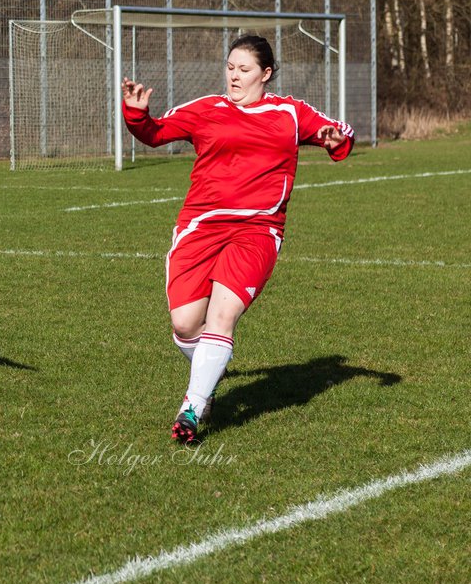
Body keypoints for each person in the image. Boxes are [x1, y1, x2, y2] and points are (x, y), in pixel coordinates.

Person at [121, 34, 355, 444]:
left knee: (222, 318)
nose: (234, 76)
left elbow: (336, 136)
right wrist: (136, 114)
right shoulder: (206, 109)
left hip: (258, 230)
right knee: (184, 323)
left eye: (244, 70)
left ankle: (192, 408)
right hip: (200, 227)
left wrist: (337, 141)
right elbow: (154, 133)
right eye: (230, 67)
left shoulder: (290, 113)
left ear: (265, 74)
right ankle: (212, 366)